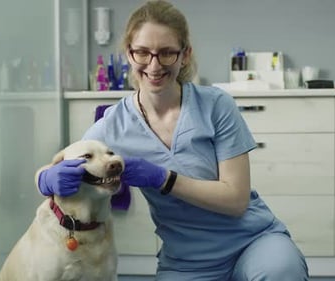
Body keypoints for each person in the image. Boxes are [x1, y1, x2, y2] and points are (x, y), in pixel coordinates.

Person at [36, 1, 309, 280]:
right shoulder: (112, 126)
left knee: (280, 272)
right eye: (142, 53)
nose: (154, 65)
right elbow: (58, 167)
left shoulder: (216, 106)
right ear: (129, 54)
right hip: (186, 262)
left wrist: (163, 179)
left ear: (184, 55)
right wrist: (47, 180)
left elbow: (236, 200)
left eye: (167, 53)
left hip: (253, 241)